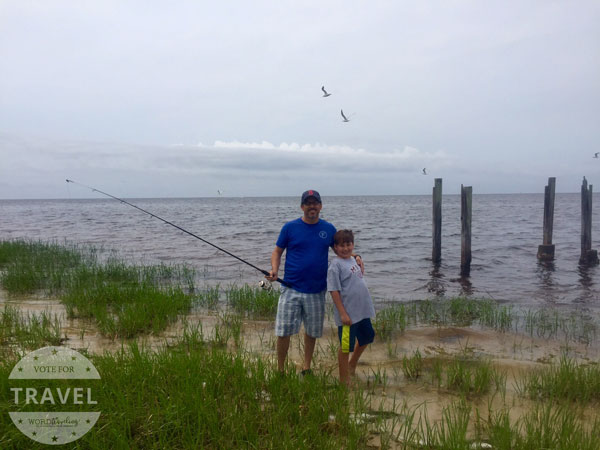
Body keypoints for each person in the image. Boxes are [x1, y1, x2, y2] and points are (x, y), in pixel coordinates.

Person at [266, 190, 363, 374]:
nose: (312, 206)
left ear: (320, 206)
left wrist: (356, 256)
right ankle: (280, 370)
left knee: (312, 332)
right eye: (308, 203)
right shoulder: (290, 228)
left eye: (315, 202)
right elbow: (277, 252)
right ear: (302, 206)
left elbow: (341, 250)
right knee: (283, 332)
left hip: (317, 290)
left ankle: (307, 367)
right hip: (290, 287)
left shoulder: (328, 229)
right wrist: (274, 271)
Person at [327, 229, 375, 386]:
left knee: (368, 336)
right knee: (346, 347)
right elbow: (334, 290)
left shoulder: (353, 260)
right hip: (348, 315)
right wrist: (343, 314)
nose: (345, 248)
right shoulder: (335, 266)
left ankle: (352, 364)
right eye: (341, 245)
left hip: (362, 311)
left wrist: (358, 257)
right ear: (335, 247)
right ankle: (344, 380)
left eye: (348, 244)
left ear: (353, 245)